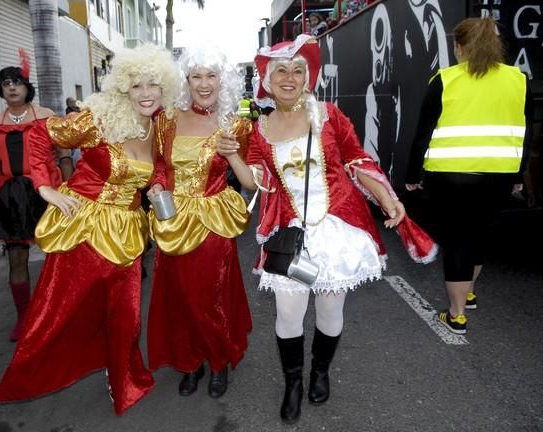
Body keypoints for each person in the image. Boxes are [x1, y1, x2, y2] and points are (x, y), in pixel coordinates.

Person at [219, 34, 435, 424]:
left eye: (297, 70)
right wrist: (232, 154)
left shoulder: (330, 115)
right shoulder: (261, 129)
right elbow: (254, 182)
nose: (288, 77)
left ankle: (320, 371)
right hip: (289, 235)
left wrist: (387, 198)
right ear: (267, 80)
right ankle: (293, 383)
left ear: (308, 77)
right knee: (288, 312)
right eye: (280, 71)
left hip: (337, 230)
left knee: (330, 308)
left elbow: (356, 159)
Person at [0, 44, 180, 415]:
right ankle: (35, 374)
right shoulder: (98, 118)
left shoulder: (160, 123)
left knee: (125, 315)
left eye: (153, 85)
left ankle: (121, 377)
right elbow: (37, 134)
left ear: (165, 89)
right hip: (86, 230)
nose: (145, 93)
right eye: (136, 85)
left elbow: (160, 164)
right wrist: (45, 185)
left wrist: (158, 183)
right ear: (122, 89)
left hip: (127, 231)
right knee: (62, 312)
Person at [405, 17, 532, 334]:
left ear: (459, 47)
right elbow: (524, 133)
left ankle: (457, 314)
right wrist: (518, 173)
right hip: (498, 174)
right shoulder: (518, 79)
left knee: (458, 241)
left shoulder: (445, 80)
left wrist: (411, 174)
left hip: (450, 177)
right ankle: (470, 291)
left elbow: (423, 134)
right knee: (480, 234)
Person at [147, 47, 253, 399]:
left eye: (211, 75)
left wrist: (232, 152)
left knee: (211, 295)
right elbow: (160, 164)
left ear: (223, 80)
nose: (204, 84)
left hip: (212, 221)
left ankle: (218, 360)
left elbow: (251, 181)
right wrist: (158, 184)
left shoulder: (236, 124)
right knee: (178, 296)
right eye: (196, 76)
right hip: (173, 219)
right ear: (186, 81)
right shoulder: (167, 120)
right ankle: (190, 362)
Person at [0, 65, 72, 342]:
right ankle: (24, 317)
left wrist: (70, 190)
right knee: (16, 258)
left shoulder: (46, 116)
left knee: (56, 256)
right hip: (10, 196)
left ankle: (57, 312)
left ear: (27, 86)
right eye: (6, 83)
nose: (12, 87)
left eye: (17, 82)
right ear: (1, 89)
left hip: (47, 192)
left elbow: (64, 156)